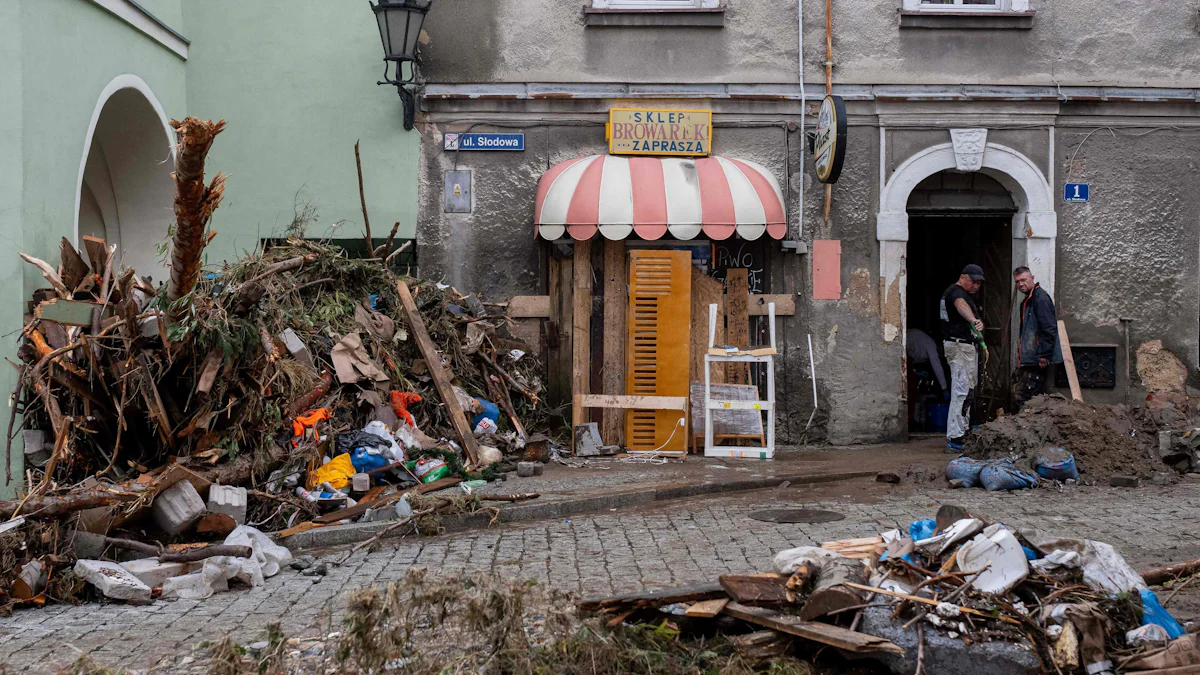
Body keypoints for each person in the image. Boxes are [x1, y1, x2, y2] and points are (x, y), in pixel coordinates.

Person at [940, 264, 985, 451]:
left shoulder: (960, 293)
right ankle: (955, 437)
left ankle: (962, 432)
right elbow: (961, 305)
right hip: (958, 345)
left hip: (963, 345)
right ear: (962, 277)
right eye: (972, 281)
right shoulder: (955, 292)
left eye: (978, 283)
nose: (975, 286)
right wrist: (973, 320)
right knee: (961, 390)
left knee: (967, 390)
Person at [1013, 266, 1062, 411]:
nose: (1020, 284)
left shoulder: (1039, 298)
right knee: (1031, 396)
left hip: (1037, 359)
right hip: (1031, 358)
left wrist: (1043, 355)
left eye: (1023, 280)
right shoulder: (1028, 300)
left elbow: (1049, 329)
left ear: (1032, 278)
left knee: (1023, 396)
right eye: (1017, 282)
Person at [907, 328, 948, 393]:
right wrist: (944, 388)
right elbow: (937, 367)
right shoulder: (931, 345)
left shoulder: (925, 340)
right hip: (906, 346)